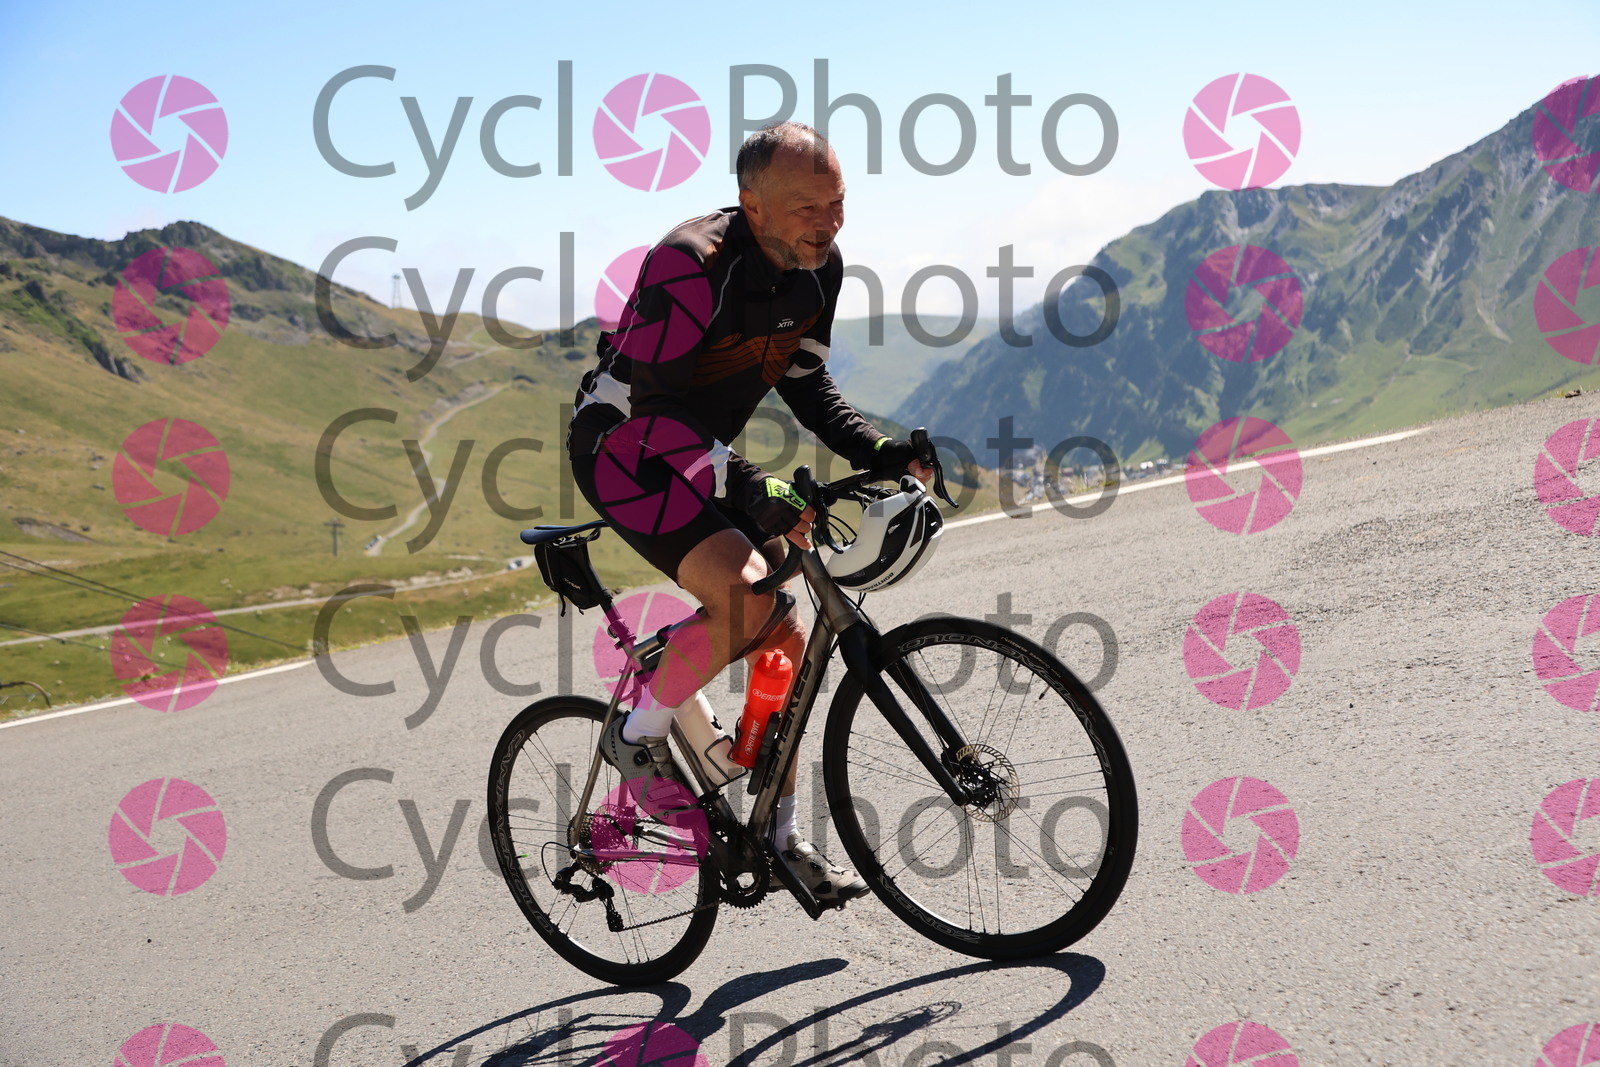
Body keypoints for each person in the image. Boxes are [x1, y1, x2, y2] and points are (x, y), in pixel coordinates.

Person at [566, 121, 931, 906]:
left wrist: (879, 449)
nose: (828, 223)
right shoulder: (688, 264)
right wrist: (746, 481)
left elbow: (808, 384)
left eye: (837, 202)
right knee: (747, 596)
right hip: (626, 450)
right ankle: (637, 736)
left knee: (785, 636)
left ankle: (781, 835)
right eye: (807, 207)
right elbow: (655, 408)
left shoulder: (817, 267)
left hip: (700, 452)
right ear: (752, 204)